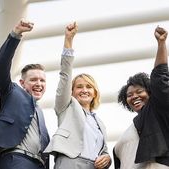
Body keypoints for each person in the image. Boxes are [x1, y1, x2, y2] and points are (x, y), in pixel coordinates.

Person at [0, 19, 50, 169]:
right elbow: (1, 66)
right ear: (22, 83)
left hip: (38, 164)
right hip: (16, 159)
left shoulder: (39, 112)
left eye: (42, 80)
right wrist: (15, 35)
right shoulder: (12, 92)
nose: (39, 84)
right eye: (33, 80)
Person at [44, 22, 111, 169]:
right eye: (79, 87)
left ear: (95, 93)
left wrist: (107, 158)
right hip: (71, 162)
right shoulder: (66, 107)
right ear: (72, 92)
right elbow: (65, 75)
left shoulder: (99, 123)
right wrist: (68, 40)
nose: (84, 90)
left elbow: (103, 151)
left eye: (89, 87)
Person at [113, 26, 169, 169]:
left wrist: (161, 43)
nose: (134, 96)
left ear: (151, 93)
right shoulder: (133, 126)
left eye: (139, 91)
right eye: (129, 95)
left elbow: (160, 77)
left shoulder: (157, 110)